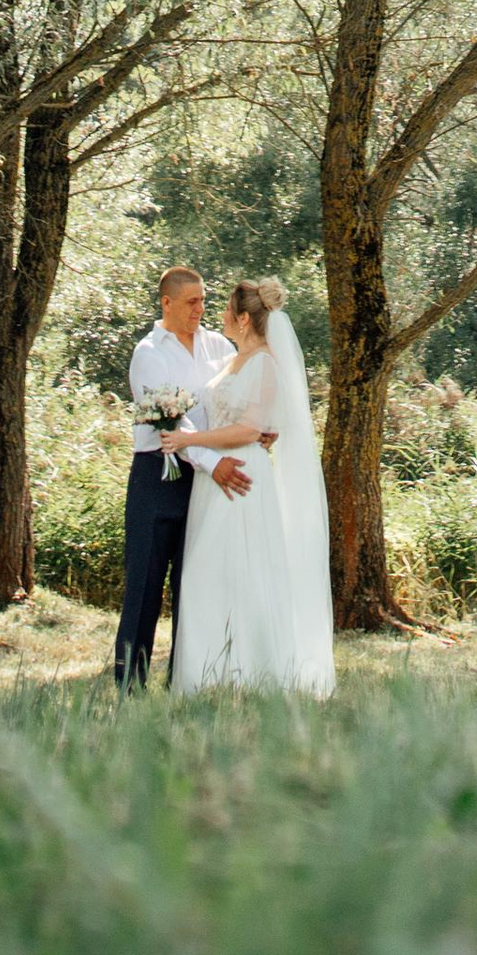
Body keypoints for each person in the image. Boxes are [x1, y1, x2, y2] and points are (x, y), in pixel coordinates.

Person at [161, 275, 335, 696]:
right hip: (212, 479)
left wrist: (189, 440)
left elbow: (250, 428)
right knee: (208, 575)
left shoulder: (265, 363)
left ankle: (254, 674)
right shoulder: (232, 360)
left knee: (245, 574)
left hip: (242, 475)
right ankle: (207, 677)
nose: (218, 315)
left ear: (242, 319)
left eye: (225, 309)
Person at [114, 262, 239, 692]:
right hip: (158, 476)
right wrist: (212, 462)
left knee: (195, 583)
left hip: (205, 483)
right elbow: (170, 424)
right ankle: (129, 686)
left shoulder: (219, 346)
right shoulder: (149, 353)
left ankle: (186, 683)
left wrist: (258, 427)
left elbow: (238, 394)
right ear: (166, 303)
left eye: (203, 300)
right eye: (191, 302)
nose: (200, 309)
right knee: (145, 585)